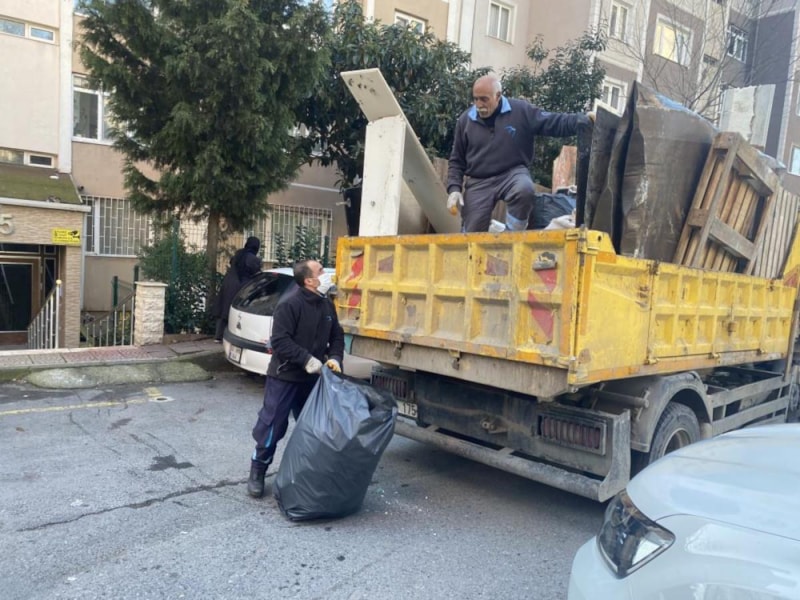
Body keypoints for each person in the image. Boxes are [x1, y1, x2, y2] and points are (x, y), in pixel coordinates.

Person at [246, 259, 344, 498]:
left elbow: (337, 335)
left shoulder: (325, 304)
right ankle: (258, 469)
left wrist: (335, 357)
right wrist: (307, 359)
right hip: (285, 376)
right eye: (321, 271)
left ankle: (307, 472)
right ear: (309, 280)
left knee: (313, 428)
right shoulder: (290, 304)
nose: (326, 273)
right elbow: (280, 341)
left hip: (313, 379)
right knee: (273, 425)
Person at [446, 74, 593, 233]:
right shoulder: (465, 120)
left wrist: (581, 120)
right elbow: (456, 160)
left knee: (524, 189)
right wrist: (454, 189)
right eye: (475, 99)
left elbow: (552, 122)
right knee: (471, 233)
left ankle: (513, 234)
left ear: (498, 96)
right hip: (479, 180)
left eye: (484, 99)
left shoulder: (521, 111)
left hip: (512, 173)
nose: (479, 104)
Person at [212, 236, 262, 342]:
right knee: (236, 311)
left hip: (228, 282)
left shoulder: (239, 253)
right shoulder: (253, 259)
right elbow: (256, 273)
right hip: (241, 286)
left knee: (223, 309)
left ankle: (218, 336)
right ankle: (233, 336)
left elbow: (232, 263)